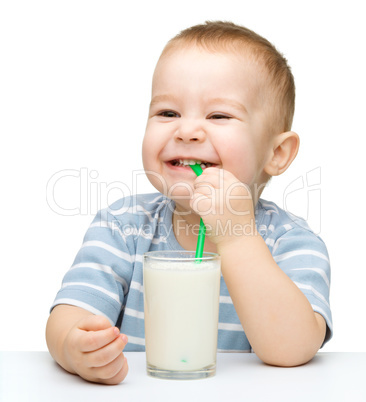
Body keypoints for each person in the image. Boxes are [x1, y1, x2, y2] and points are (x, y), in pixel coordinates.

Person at [46, 21, 333, 384]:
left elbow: (293, 349)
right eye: (168, 113)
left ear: (276, 153)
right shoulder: (122, 226)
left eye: (219, 116)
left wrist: (238, 237)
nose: (186, 131)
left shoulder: (291, 242)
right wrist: (74, 346)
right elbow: (68, 315)